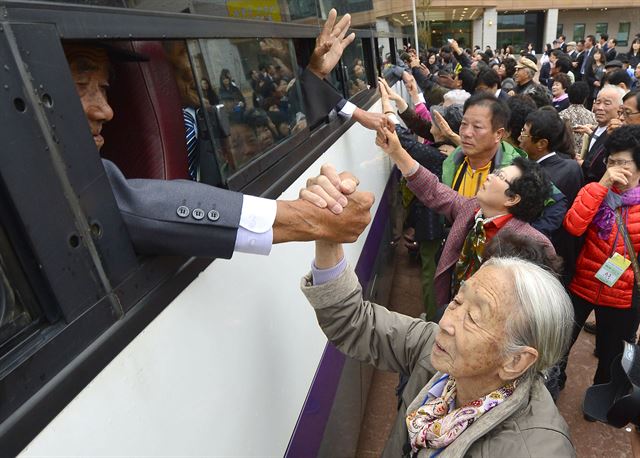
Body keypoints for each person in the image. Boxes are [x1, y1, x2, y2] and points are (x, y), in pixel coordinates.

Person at [63, 10, 374, 259]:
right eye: (182, 72)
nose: (105, 111)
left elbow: (276, 124)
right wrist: (309, 218)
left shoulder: (212, 116)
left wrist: (315, 74)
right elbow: (127, 204)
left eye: (104, 88)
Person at [301, 236, 574, 456]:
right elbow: (354, 321)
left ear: (515, 361)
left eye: (473, 317)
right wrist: (328, 238)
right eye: (457, 301)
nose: (446, 321)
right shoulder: (437, 354)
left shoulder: (536, 450)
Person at [374, 120, 555, 310]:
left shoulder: (534, 244)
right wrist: (396, 151)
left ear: (512, 199)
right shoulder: (473, 210)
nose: (491, 176)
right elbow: (434, 189)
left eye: (500, 177)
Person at [561, 125, 640, 396]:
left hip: (621, 293)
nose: (616, 168)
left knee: (611, 353)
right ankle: (552, 385)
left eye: (623, 162)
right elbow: (573, 225)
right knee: (560, 342)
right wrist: (602, 184)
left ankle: (601, 395)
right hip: (582, 281)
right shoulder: (594, 191)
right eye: (612, 161)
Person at [578, 85, 625, 183]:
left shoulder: (617, 136)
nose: (600, 108)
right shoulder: (598, 128)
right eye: (598, 102)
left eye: (607, 103)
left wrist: (582, 163)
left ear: (620, 108)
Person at [559, 81, 597, 156]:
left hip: (564, 157)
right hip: (585, 158)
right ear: (585, 98)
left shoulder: (560, 116)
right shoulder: (593, 117)